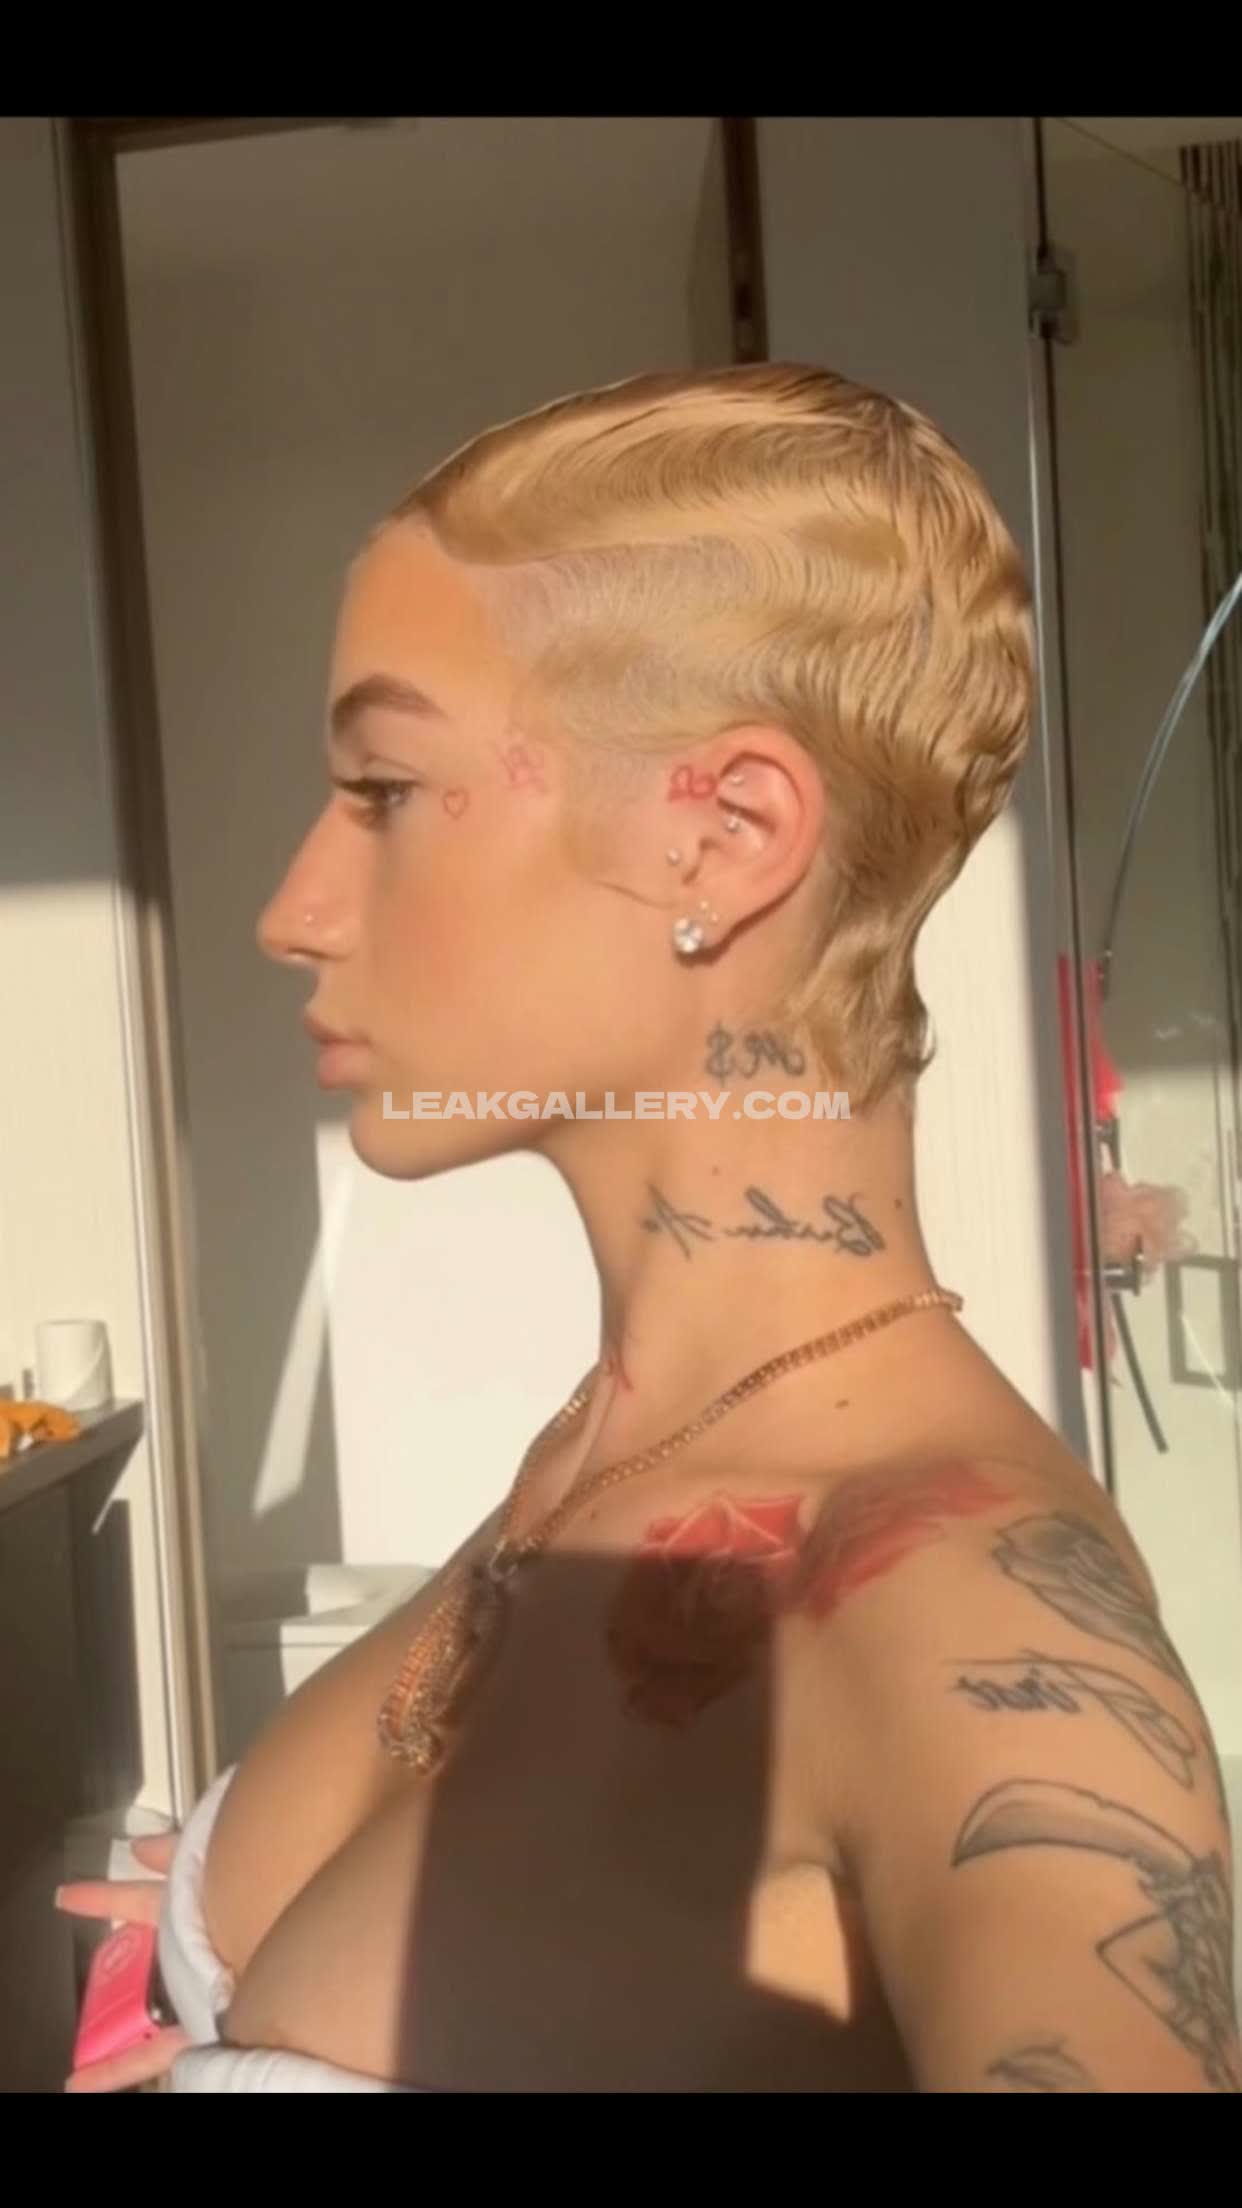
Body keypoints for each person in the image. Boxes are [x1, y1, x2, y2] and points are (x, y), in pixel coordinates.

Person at [57, 364, 1239, 2093]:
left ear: (724, 838)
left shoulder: (956, 1607)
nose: (294, 911)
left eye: (383, 788)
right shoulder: (607, 1441)